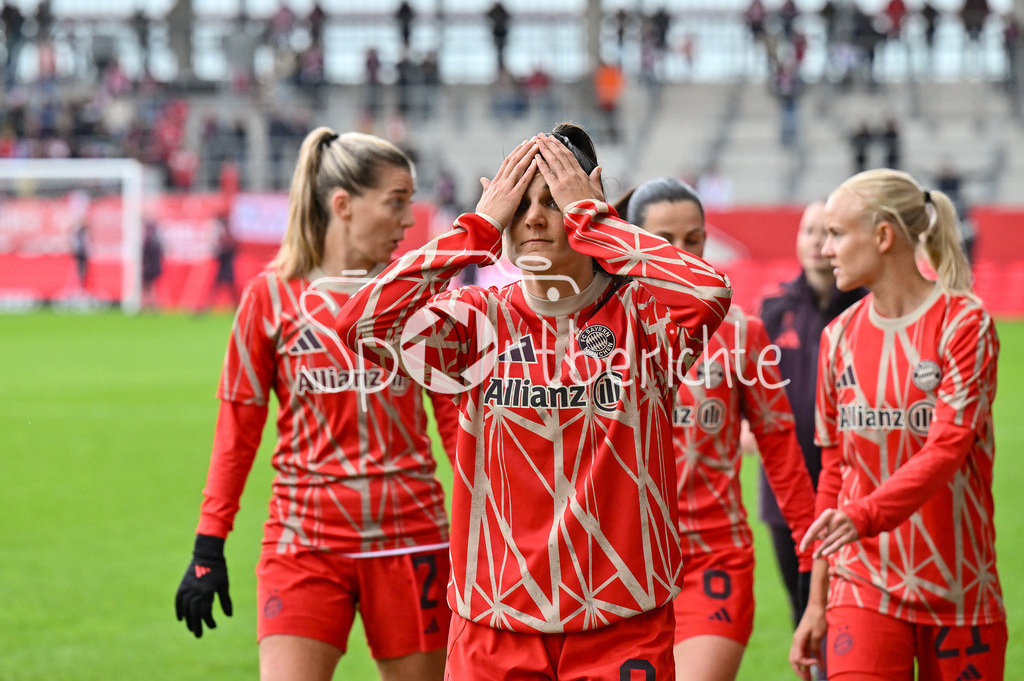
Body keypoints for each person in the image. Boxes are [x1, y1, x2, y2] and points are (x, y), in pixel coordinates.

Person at [338, 124, 733, 679]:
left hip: (622, 626)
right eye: (519, 204)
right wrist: (474, 229)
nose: (535, 219)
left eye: (553, 201)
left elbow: (710, 291)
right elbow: (362, 324)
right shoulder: (476, 319)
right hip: (492, 627)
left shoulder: (644, 318)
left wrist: (597, 221)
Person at [174, 128, 458, 681]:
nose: (409, 220)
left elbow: (455, 426)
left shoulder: (417, 297)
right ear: (343, 204)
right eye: (397, 202)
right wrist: (209, 545)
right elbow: (238, 431)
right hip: (302, 544)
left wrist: (492, 527)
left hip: (411, 541)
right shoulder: (269, 297)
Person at [789, 169, 1006, 680]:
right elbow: (835, 473)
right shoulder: (837, 336)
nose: (825, 249)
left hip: (959, 588)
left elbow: (947, 449)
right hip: (861, 584)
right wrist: (817, 602)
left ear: (884, 236)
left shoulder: (965, 324)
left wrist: (864, 515)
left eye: (838, 234)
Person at [617, 178, 816, 681]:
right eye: (665, 240)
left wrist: (816, 560)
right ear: (633, 242)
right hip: (621, 564)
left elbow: (781, 454)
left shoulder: (740, 333)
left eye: (694, 239)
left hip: (713, 560)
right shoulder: (601, 334)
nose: (682, 254)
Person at [756, 201, 866, 629]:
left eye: (830, 231)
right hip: (785, 488)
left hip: (854, 485)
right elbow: (750, 386)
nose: (819, 242)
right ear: (798, 240)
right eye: (810, 231)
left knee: (852, 609)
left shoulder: (868, 309)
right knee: (803, 610)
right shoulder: (772, 308)